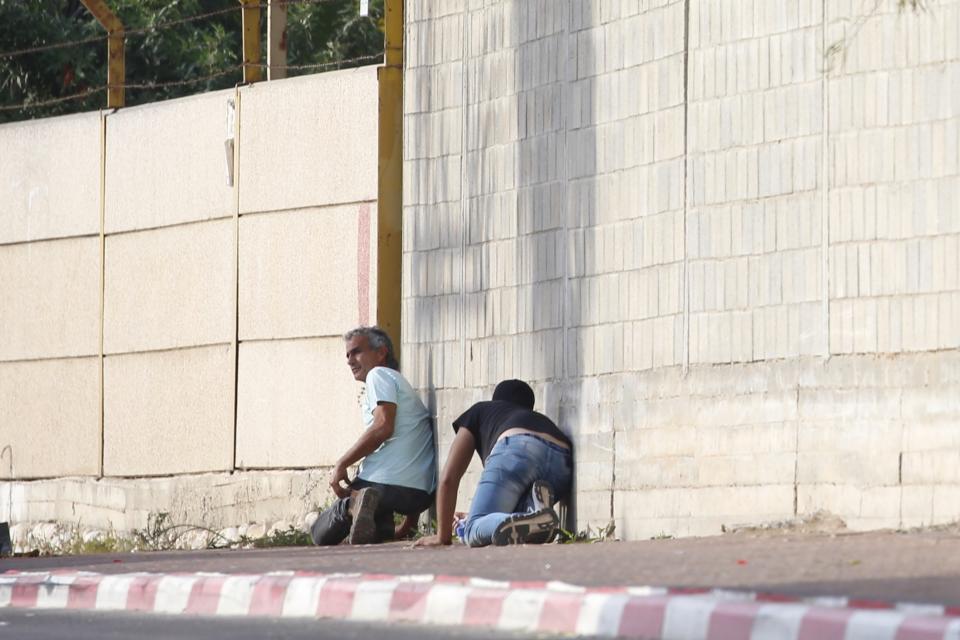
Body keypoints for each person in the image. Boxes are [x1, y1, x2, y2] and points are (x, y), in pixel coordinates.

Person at [311, 326, 436, 545]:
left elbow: (383, 427)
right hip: (419, 495)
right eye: (347, 355)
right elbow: (408, 446)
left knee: (319, 532)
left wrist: (342, 463)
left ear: (381, 353)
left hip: (383, 484)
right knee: (378, 524)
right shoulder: (399, 384)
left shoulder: (378, 375)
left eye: (357, 351)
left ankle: (353, 504)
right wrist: (408, 525)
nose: (350, 360)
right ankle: (379, 521)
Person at [415, 379, 572, 547]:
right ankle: (534, 505)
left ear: (495, 401)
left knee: (473, 529)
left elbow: (448, 478)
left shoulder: (481, 410)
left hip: (518, 447)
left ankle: (530, 516)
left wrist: (442, 536)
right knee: (520, 518)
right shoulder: (537, 418)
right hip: (562, 461)